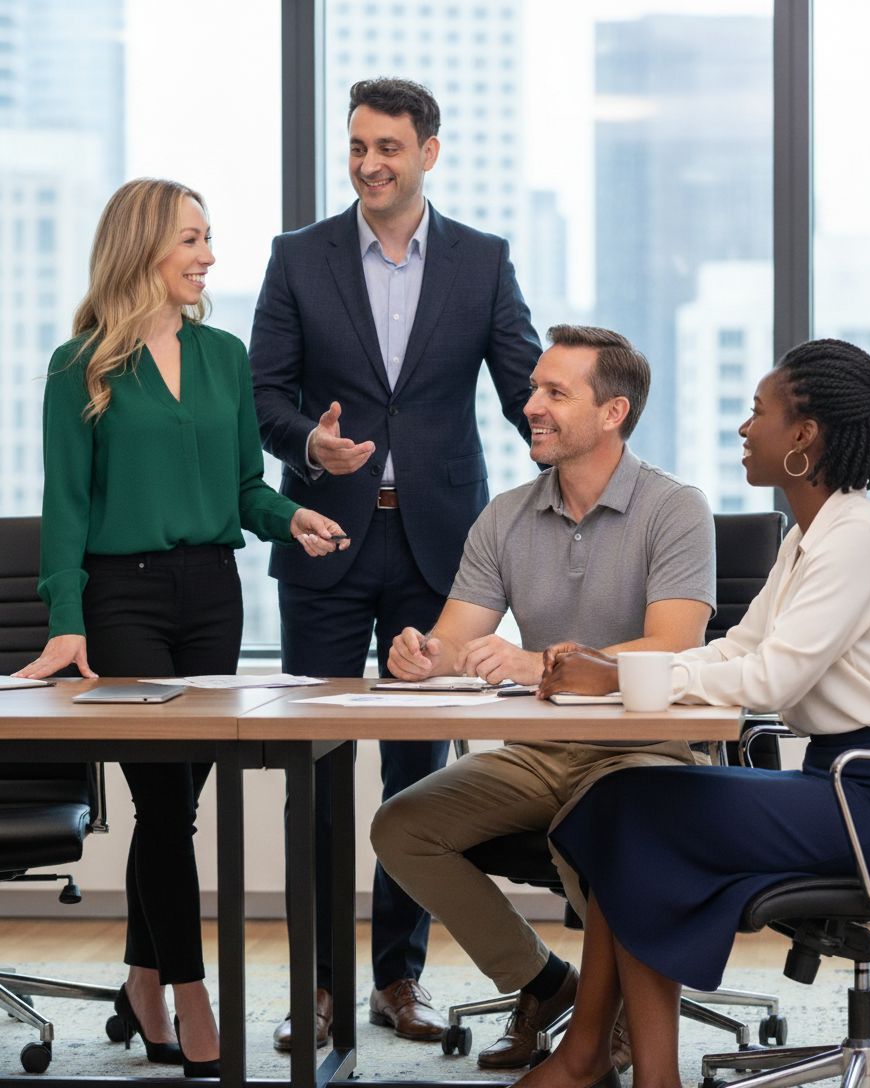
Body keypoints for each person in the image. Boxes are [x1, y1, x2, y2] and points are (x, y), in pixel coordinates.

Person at [520, 338, 870, 1088]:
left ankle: (603, 1061)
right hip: (845, 781)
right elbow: (737, 650)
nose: (743, 428)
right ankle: (607, 1060)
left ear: (804, 435)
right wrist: (619, 672)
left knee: (634, 809)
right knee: (623, 804)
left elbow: (777, 677)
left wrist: (617, 680)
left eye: (759, 412)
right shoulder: (809, 538)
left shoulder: (854, 537)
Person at [13, 178, 347, 1079]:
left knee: (178, 803)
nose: (208, 256)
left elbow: (244, 489)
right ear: (144, 249)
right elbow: (65, 508)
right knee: (163, 805)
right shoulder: (76, 364)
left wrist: (293, 519)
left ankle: (140, 983)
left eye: (209, 239)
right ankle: (195, 1001)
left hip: (213, 595)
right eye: (192, 240)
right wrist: (65, 620)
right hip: (122, 600)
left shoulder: (223, 356)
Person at [249, 77, 541, 1049]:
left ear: (429, 152)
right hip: (328, 544)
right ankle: (323, 985)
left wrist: (579, 460)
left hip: (439, 552)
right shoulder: (299, 258)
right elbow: (266, 395)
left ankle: (396, 978)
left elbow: (525, 388)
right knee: (318, 778)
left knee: (418, 780)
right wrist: (307, 447)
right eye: (358, 147)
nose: (370, 163)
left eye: (389, 147)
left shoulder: (482, 262)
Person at [371, 324, 716, 1070]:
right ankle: (545, 982)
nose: (532, 405)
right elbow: (457, 640)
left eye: (556, 392)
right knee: (401, 827)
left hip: (640, 751)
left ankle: (621, 1014)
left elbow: (674, 646)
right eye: (534, 388)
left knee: (599, 833)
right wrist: (424, 656)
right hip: (537, 753)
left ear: (613, 412)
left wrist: (537, 665)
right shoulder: (505, 515)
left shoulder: (675, 508)